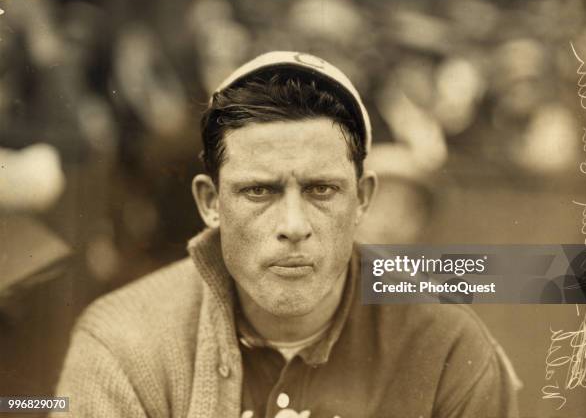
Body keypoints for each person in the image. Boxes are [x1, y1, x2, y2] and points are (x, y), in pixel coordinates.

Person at [53, 51, 519, 418]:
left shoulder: (449, 349)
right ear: (211, 203)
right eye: (258, 190)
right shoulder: (122, 340)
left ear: (361, 199)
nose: (293, 226)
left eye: (321, 189)